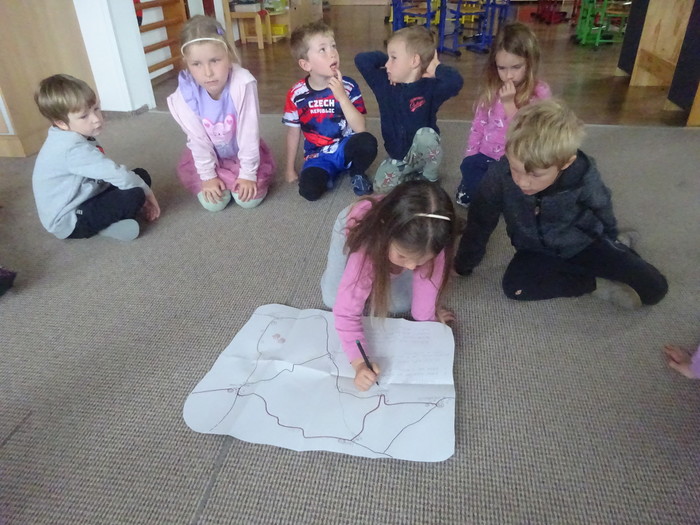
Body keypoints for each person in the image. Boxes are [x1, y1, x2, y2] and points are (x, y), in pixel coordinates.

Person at [454, 99, 668, 309]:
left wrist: (612, 239)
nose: (523, 182)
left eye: (535, 175)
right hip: (534, 249)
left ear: (566, 163)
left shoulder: (582, 174)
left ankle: (621, 244)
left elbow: (602, 205)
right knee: (516, 288)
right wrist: (463, 264)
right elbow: (480, 221)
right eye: (515, 169)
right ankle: (593, 284)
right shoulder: (498, 175)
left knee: (655, 290)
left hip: (585, 243)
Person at [321, 180, 457, 391]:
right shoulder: (367, 244)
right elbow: (346, 314)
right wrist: (359, 363)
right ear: (386, 237)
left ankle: (395, 262)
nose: (411, 266)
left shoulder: (435, 242)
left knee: (400, 304)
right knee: (332, 299)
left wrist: (430, 319)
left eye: (421, 260)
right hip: (354, 228)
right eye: (403, 256)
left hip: (400, 240)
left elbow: (424, 300)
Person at [32, 74, 160, 241]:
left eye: (96, 108)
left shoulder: (71, 133)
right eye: (84, 116)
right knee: (135, 193)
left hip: (86, 194)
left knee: (140, 175)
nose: (96, 119)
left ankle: (111, 217)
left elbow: (108, 173)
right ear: (61, 123)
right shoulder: (72, 149)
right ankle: (106, 226)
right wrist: (149, 195)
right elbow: (117, 174)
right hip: (70, 219)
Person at [168, 15, 275, 212]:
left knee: (248, 200)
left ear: (228, 55)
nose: (208, 72)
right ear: (186, 63)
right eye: (196, 64)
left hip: (241, 152)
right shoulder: (183, 96)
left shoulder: (243, 83)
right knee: (214, 204)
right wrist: (208, 176)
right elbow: (198, 140)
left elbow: (248, 132)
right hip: (209, 155)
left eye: (215, 61)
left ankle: (244, 176)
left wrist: (248, 174)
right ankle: (219, 177)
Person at [355, 26, 463, 193]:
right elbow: (362, 60)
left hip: (422, 155)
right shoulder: (383, 83)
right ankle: (413, 178)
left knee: (426, 135)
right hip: (398, 157)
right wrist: (390, 60)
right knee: (380, 187)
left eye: (394, 58)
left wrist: (435, 68)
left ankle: (429, 178)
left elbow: (456, 82)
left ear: (414, 61)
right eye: (389, 58)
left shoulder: (430, 87)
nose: (387, 64)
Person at [456, 22, 551, 207]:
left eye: (516, 67)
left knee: (530, 193)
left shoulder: (539, 93)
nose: (508, 76)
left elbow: (530, 133)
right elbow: (478, 126)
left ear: (530, 62)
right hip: (486, 157)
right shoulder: (491, 90)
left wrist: (509, 104)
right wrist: (470, 156)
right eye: (502, 68)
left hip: (518, 162)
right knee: (470, 183)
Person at [283, 21, 378, 201]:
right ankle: (328, 173)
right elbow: (293, 132)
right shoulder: (296, 94)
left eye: (333, 46)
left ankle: (356, 172)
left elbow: (360, 128)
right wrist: (289, 169)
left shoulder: (348, 85)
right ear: (306, 64)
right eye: (323, 49)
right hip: (317, 156)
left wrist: (342, 97)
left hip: (346, 147)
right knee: (308, 191)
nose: (332, 53)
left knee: (367, 142)